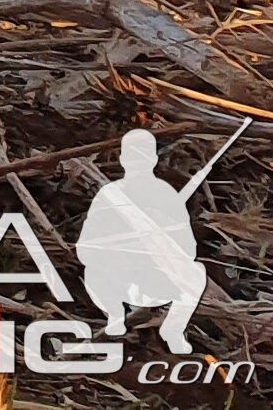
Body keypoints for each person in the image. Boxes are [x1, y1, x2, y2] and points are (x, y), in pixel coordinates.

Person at [77, 128, 213, 354]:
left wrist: (162, 240)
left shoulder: (166, 195)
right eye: (131, 156)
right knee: (94, 272)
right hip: (116, 277)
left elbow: (188, 250)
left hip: (154, 277)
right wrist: (119, 249)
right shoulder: (109, 195)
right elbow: (85, 248)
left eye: (143, 156)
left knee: (197, 273)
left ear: (153, 159)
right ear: (122, 159)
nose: (137, 163)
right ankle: (115, 317)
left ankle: (173, 329)